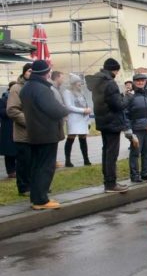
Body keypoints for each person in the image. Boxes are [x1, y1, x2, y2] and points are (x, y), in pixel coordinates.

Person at [19, 60, 70, 210]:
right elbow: (54, 110)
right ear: (46, 73)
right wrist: (64, 110)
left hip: (34, 132)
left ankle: (36, 198)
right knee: (46, 167)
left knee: (36, 166)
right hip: (46, 133)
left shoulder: (27, 88)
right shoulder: (41, 89)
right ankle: (41, 200)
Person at [86, 58, 130, 193]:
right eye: (117, 70)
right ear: (114, 70)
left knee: (106, 152)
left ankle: (108, 182)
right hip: (112, 122)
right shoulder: (110, 83)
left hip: (102, 121)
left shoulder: (97, 81)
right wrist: (127, 97)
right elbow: (119, 105)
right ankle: (111, 184)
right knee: (112, 154)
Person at [6, 63, 33, 196]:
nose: (31, 73)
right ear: (24, 72)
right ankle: (24, 187)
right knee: (24, 162)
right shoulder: (16, 88)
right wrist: (30, 122)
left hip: (37, 133)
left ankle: (35, 185)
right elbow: (12, 110)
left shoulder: (35, 87)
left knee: (34, 162)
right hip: (23, 133)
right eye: (29, 71)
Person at [125, 74, 147, 182]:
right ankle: (134, 175)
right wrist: (128, 130)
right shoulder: (130, 97)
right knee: (135, 152)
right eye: (138, 81)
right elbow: (126, 114)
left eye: (142, 80)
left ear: (145, 81)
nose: (140, 82)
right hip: (136, 129)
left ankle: (145, 173)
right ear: (134, 82)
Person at [62, 74, 92, 167]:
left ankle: (86, 159)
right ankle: (68, 160)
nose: (80, 84)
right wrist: (83, 110)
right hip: (73, 119)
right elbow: (69, 106)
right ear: (73, 83)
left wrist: (88, 119)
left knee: (83, 139)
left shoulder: (81, 92)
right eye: (78, 82)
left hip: (83, 119)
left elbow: (85, 104)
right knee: (71, 138)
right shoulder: (67, 92)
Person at [0, 83, 18, 178]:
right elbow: (2, 112)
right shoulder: (3, 100)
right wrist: (11, 110)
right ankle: (11, 171)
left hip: (17, 127)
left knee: (18, 150)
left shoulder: (19, 99)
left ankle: (17, 169)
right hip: (8, 128)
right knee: (9, 152)